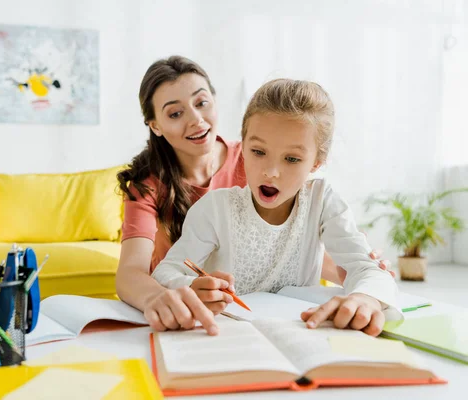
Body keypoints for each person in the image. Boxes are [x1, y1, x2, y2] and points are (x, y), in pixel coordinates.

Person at [116, 56, 392, 335]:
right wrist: (182, 290)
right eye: (175, 113)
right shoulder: (167, 191)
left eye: (201, 103)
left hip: (297, 326)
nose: (271, 172)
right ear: (155, 125)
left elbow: (299, 249)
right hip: (213, 320)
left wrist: (360, 278)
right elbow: (139, 273)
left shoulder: (277, 164)